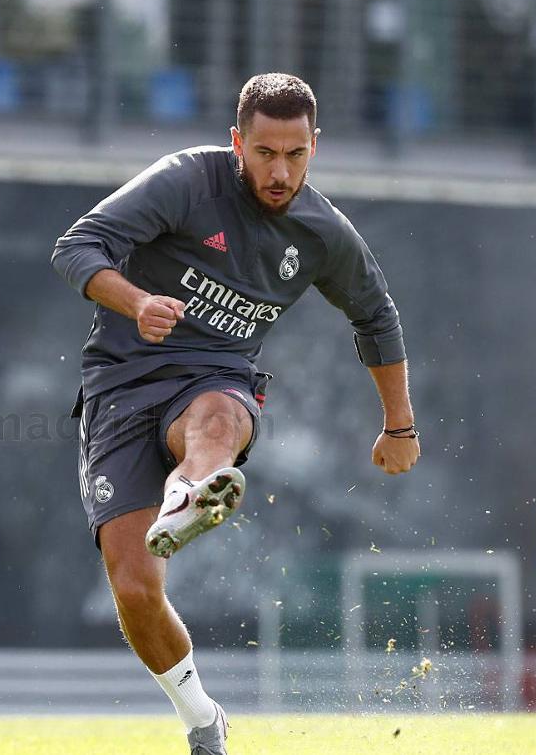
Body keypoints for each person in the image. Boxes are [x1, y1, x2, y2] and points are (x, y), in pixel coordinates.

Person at [51, 73, 420, 753]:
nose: (280, 172)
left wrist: (399, 425)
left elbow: (376, 315)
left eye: (296, 155)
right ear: (235, 143)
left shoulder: (323, 233)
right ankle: (202, 717)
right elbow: (76, 247)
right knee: (134, 587)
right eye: (264, 153)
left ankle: (193, 490)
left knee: (219, 415)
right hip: (121, 383)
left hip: (218, 376)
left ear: (315, 146)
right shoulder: (185, 181)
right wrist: (137, 302)